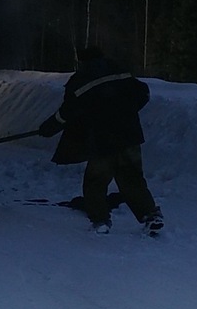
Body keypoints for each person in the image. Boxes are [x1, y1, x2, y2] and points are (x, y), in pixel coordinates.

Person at [39, 45, 164, 236]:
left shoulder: (80, 80)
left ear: (82, 61)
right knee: (132, 179)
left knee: (95, 181)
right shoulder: (120, 71)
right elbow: (143, 93)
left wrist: (48, 128)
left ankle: (100, 220)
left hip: (102, 141)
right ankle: (150, 215)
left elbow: (66, 113)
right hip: (129, 135)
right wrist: (127, 112)